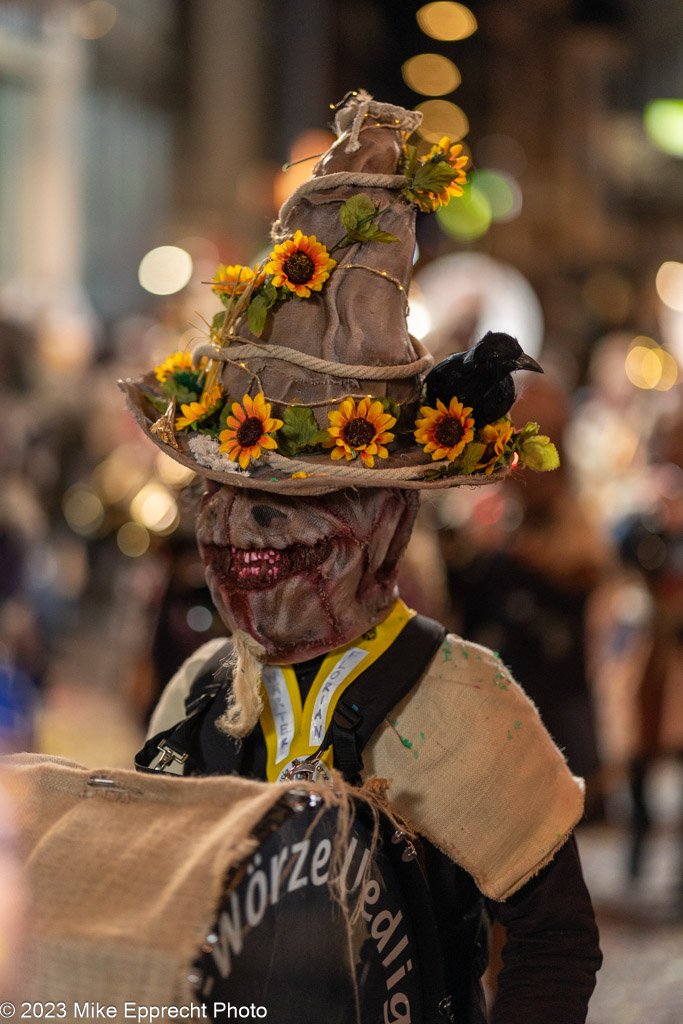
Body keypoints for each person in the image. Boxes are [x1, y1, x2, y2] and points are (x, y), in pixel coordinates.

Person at [122, 92, 602, 1023]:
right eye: (225, 494)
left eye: (297, 502)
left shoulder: (466, 700)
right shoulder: (196, 692)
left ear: (388, 519)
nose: (239, 532)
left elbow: (554, 938)